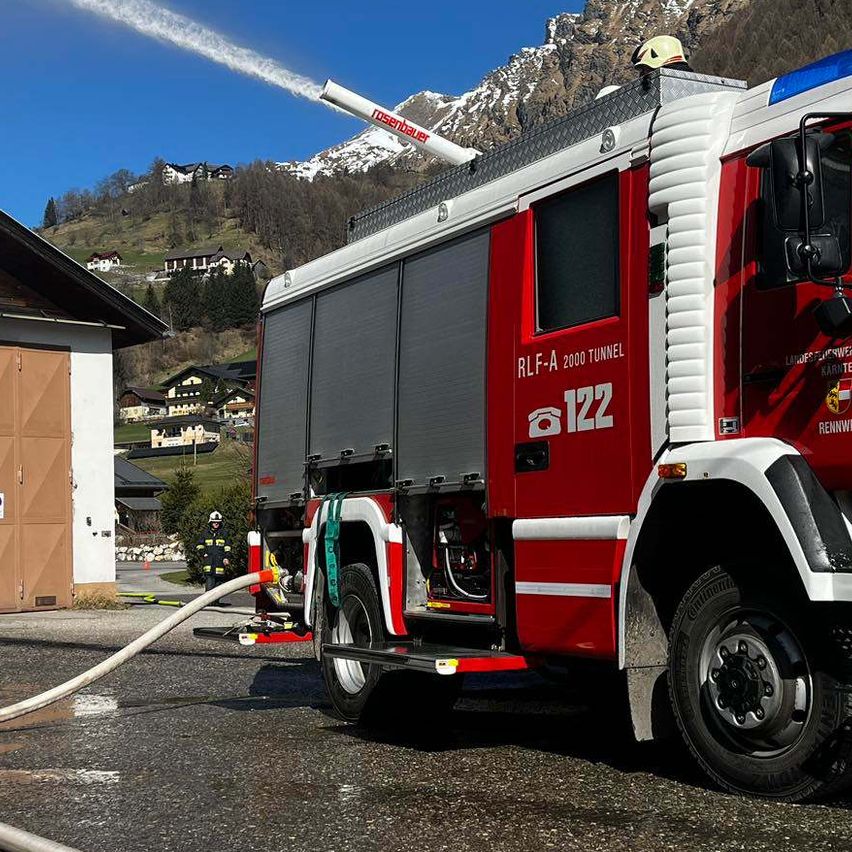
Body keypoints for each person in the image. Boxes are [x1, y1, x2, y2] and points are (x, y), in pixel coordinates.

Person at [196, 510, 232, 605]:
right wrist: (203, 553)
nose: (216, 524)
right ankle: (208, 602)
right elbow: (199, 545)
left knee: (219, 584)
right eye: (214, 522)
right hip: (209, 562)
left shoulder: (224, 533)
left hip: (220, 563)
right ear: (210, 522)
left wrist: (226, 557)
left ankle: (216, 602)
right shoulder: (205, 533)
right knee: (209, 582)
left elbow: (227, 547)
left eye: (218, 522)